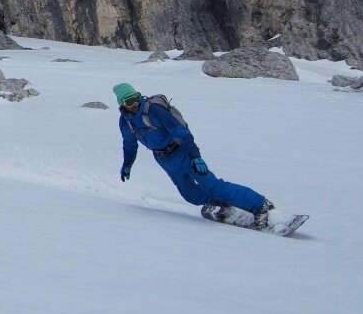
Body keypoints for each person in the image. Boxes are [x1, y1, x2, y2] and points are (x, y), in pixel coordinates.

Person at [112, 82, 274, 226]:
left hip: (182, 152)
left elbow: (182, 132)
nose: (134, 104)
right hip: (164, 159)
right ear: (121, 104)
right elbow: (130, 144)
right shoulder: (125, 121)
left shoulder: (154, 110)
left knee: (213, 185)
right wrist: (127, 164)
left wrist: (195, 156)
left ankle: (260, 204)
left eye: (136, 98)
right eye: (129, 101)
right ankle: (225, 205)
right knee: (191, 195)